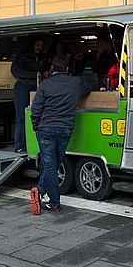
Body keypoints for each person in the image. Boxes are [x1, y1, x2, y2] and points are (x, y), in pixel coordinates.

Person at [29, 54, 92, 214]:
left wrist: (36, 126)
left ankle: (51, 200)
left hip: (46, 129)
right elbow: (89, 87)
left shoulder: (45, 84)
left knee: (50, 166)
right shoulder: (75, 82)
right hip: (65, 129)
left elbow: (36, 108)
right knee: (55, 164)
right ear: (68, 68)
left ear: (52, 69)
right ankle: (42, 192)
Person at [11, 36, 46, 153]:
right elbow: (15, 71)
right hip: (23, 87)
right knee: (21, 116)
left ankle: (31, 143)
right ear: (32, 45)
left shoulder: (38, 57)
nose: (40, 48)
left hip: (35, 87)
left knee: (34, 115)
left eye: (41, 46)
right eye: (38, 45)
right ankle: (20, 146)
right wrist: (35, 74)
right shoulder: (22, 57)